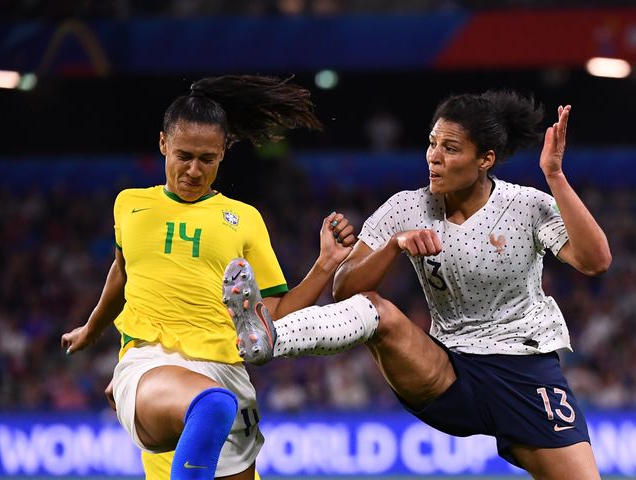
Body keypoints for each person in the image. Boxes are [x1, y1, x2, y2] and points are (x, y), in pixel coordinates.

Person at [226, 90, 611, 479]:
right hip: (447, 369)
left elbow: (596, 261)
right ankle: (270, 337)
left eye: (450, 148)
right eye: (432, 143)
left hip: (525, 371)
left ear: (485, 160)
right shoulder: (406, 208)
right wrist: (394, 246)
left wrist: (555, 176)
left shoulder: (527, 205)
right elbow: (343, 288)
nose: (434, 156)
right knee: (375, 310)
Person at [60, 74, 359, 480]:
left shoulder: (244, 219)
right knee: (211, 405)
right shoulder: (129, 204)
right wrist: (92, 329)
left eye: (207, 159)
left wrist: (325, 264)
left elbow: (275, 310)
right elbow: (122, 272)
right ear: (163, 143)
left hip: (226, 367)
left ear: (224, 153)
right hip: (151, 364)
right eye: (183, 155)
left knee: (219, 403)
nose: (194, 170)